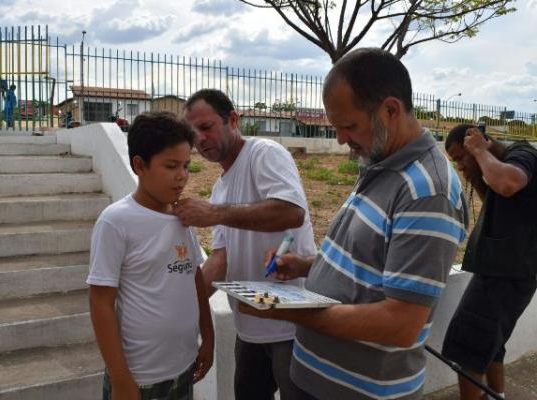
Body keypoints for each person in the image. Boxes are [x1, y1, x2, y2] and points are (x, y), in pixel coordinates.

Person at [238, 48, 468, 400]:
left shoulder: (428, 191)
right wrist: (306, 265)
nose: (342, 140)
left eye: (348, 126)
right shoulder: (380, 159)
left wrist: (288, 310)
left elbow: (401, 323)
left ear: (390, 110)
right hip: (314, 378)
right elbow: (369, 261)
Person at [174, 89, 317, 400]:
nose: (199, 139)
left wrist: (213, 214)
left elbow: (292, 212)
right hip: (250, 326)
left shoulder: (264, 153)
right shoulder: (221, 187)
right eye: (192, 132)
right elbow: (220, 261)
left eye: (206, 127)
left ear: (234, 120)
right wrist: (182, 303)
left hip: (292, 327)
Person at [87, 112, 214, 400]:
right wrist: (120, 379)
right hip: (139, 378)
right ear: (139, 165)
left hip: (182, 368)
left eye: (186, 166)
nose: (182, 175)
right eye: (171, 166)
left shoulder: (183, 217)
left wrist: (208, 337)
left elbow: (194, 278)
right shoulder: (116, 222)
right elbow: (101, 302)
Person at [442, 124, 537, 400]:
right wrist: (476, 173)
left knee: (467, 348)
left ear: (476, 139)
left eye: (460, 157)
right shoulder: (494, 166)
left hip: (504, 276)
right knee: (491, 346)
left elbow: (508, 184)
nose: (459, 164)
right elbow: (497, 199)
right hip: (504, 272)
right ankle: (497, 395)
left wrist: (480, 152)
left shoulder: (520, 155)